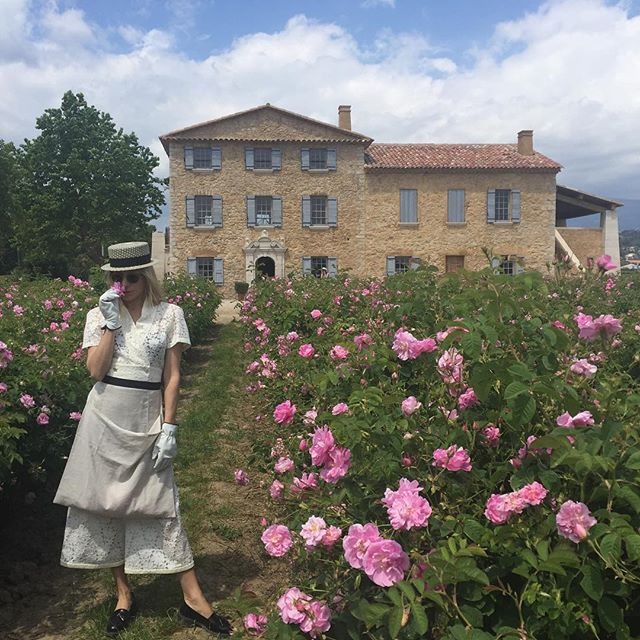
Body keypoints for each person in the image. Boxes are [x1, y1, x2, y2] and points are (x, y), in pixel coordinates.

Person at [54, 241, 231, 636]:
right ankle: (123, 594)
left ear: (146, 276)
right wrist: (110, 326)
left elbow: (172, 376)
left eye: (133, 276)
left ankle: (193, 599)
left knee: (163, 504)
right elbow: (95, 372)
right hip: (103, 415)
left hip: (146, 414)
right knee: (105, 504)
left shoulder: (169, 315)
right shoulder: (97, 315)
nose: (125, 284)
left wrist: (170, 426)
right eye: (117, 277)